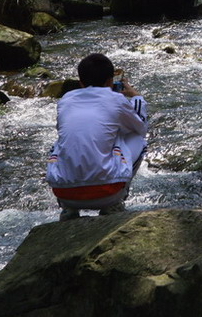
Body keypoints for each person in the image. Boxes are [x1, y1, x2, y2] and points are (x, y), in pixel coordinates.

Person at [47, 53, 148, 221]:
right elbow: (140, 128)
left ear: (81, 83)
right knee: (137, 139)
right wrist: (137, 97)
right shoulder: (116, 99)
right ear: (110, 81)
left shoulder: (65, 100)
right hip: (107, 193)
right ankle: (115, 204)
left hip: (64, 193)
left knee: (59, 144)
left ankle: (68, 210)